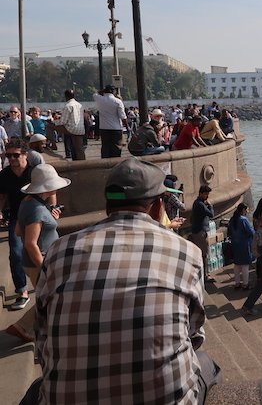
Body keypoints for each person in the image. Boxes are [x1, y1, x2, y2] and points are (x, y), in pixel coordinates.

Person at [23, 157, 220, 404]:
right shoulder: (187, 252)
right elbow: (194, 335)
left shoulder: (59, 251)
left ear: (108, 205)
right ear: (158, 206)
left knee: (35, 390)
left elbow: (42, 333)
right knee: (206, 363)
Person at [5, 164, 69, 343]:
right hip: (39, 261)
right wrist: (44, 267)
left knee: (47, 297)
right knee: (50, 298)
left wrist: (49, 217)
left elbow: (18, 231)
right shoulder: (37, 210)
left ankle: (33, 329)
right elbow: (30, 243)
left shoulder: (28, 202)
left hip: (32, 261)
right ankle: (23, 327)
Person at [0, 139, 33, 310]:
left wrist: (54, 208)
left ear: (25, 155)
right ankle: (22, 291)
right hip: (17, 217)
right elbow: (3, 196)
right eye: (8, 155)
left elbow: (50, 190)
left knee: (45, 251)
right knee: (16, 253)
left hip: (37, 215)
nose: (11, 158)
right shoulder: (5, 175)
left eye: (16, 155)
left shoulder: (35, 171)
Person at [94, 85, 127, 158]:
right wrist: (127, 127)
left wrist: (103, 91)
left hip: (104, 128)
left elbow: (95, 94)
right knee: (116, 149)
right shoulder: (118, 101)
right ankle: (115, 164)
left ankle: (105, 165)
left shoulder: (99, 99)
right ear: (113, 91)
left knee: (105, 147)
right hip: (116, 128)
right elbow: (123, 117)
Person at [190, 185, 215, 282]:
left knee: (202, 254)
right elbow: (211, 214)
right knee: (204, 254)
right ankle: (205, 275)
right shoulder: (200, 204)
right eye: (206, 194)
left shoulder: (197, 203)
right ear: (200, 193)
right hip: (200, 232)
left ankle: (203, 274)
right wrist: (210, 205)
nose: (207, 196)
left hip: (197, 230)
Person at [228, 203, 255, 289]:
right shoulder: (244, 220)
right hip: (244, 244)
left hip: (235, 244)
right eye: (246, 209)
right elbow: (250, 232)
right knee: (245, 265)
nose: (247, 211)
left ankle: (237, 283)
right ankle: (245, 284)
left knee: (237, 264)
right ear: (243, 210)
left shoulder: (232, 219)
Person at [58, 89, 86, 160]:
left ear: (66, 96)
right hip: (81, 129)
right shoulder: (80, 105)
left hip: (71, 129)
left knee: (49, 126)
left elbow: (62, 122)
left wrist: (54, 122)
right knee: (78, 149)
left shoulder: (68, 106)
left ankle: (52, 143)